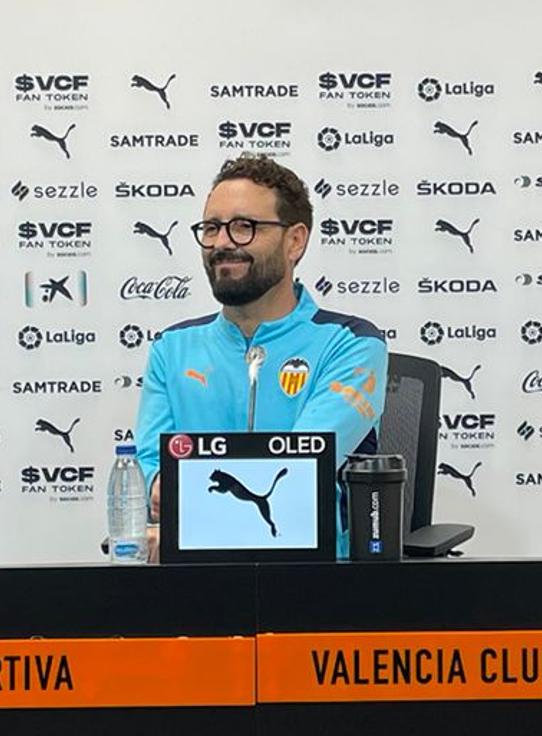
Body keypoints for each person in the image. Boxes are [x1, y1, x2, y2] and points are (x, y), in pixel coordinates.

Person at [134, 153, 388, 561]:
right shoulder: (171, 348)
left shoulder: (352, 343)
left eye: (243, 227)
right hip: (193, 583)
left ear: (295, 241)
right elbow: (152, 475)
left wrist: (190, 500)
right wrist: (164, 489)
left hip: (310, 584)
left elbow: (298, 471)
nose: (221, 243)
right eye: (212, 228)